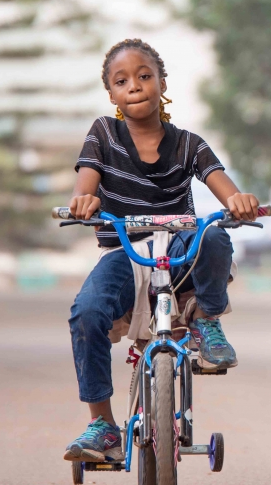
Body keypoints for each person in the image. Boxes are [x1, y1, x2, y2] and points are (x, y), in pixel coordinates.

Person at [63, 38, 259, 462]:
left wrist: (238, 202)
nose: (135, 85)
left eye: (144, 76)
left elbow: (223, 186)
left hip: (179, 247)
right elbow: (85, 183)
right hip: (124, 252)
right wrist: (84, 201)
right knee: (87, 312)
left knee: (214, 236)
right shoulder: (102, 135)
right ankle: (102, 425)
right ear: (111, 94)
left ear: (162, 83)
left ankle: (206, 321)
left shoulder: (189, 143)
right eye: (122, 80)